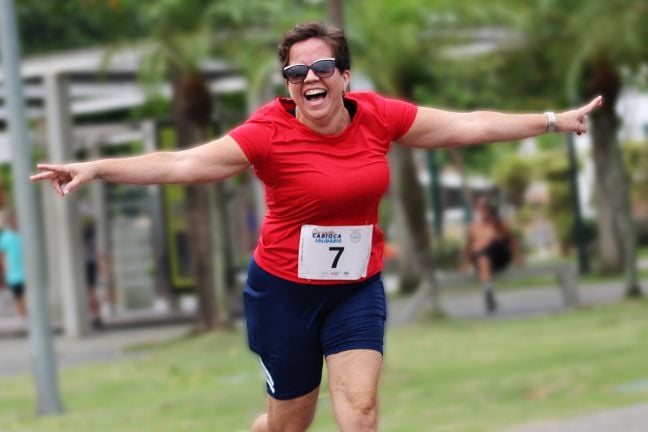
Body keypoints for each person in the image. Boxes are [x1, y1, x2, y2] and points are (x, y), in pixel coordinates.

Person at [31, 20, 602, 432]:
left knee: (361, 411)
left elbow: (469, 124)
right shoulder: (267, 134)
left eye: (322, 67)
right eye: (297, 71)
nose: (311, 77)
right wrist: (97, 167)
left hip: (355, 288)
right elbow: (183, 162)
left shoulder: (379, 116)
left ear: (344, 76)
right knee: (289, 426)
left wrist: (552, 120)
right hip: (284, 294)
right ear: (288, 85)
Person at [464, 197, 522, 313]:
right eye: (480, 208)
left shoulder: (499, 223)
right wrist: (465, 263)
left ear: (490, 209)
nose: (482, 211)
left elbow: (510, 240)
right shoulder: (473, 227)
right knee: (483, 259)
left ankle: (488, 290)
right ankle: (488, 292)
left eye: (485, 207)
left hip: (498, 256)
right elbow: (468, 247)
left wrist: (518, 257)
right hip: (482, 259)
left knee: (486, 244)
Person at [0, 211, 27, 319]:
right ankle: (23, 315)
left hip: (26, 269)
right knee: (18, 294)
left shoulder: (22, 234)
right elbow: (1, 253)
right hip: (13, 271)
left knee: (25, 293)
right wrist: (4, 266)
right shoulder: (5, 237)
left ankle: (25, 314)